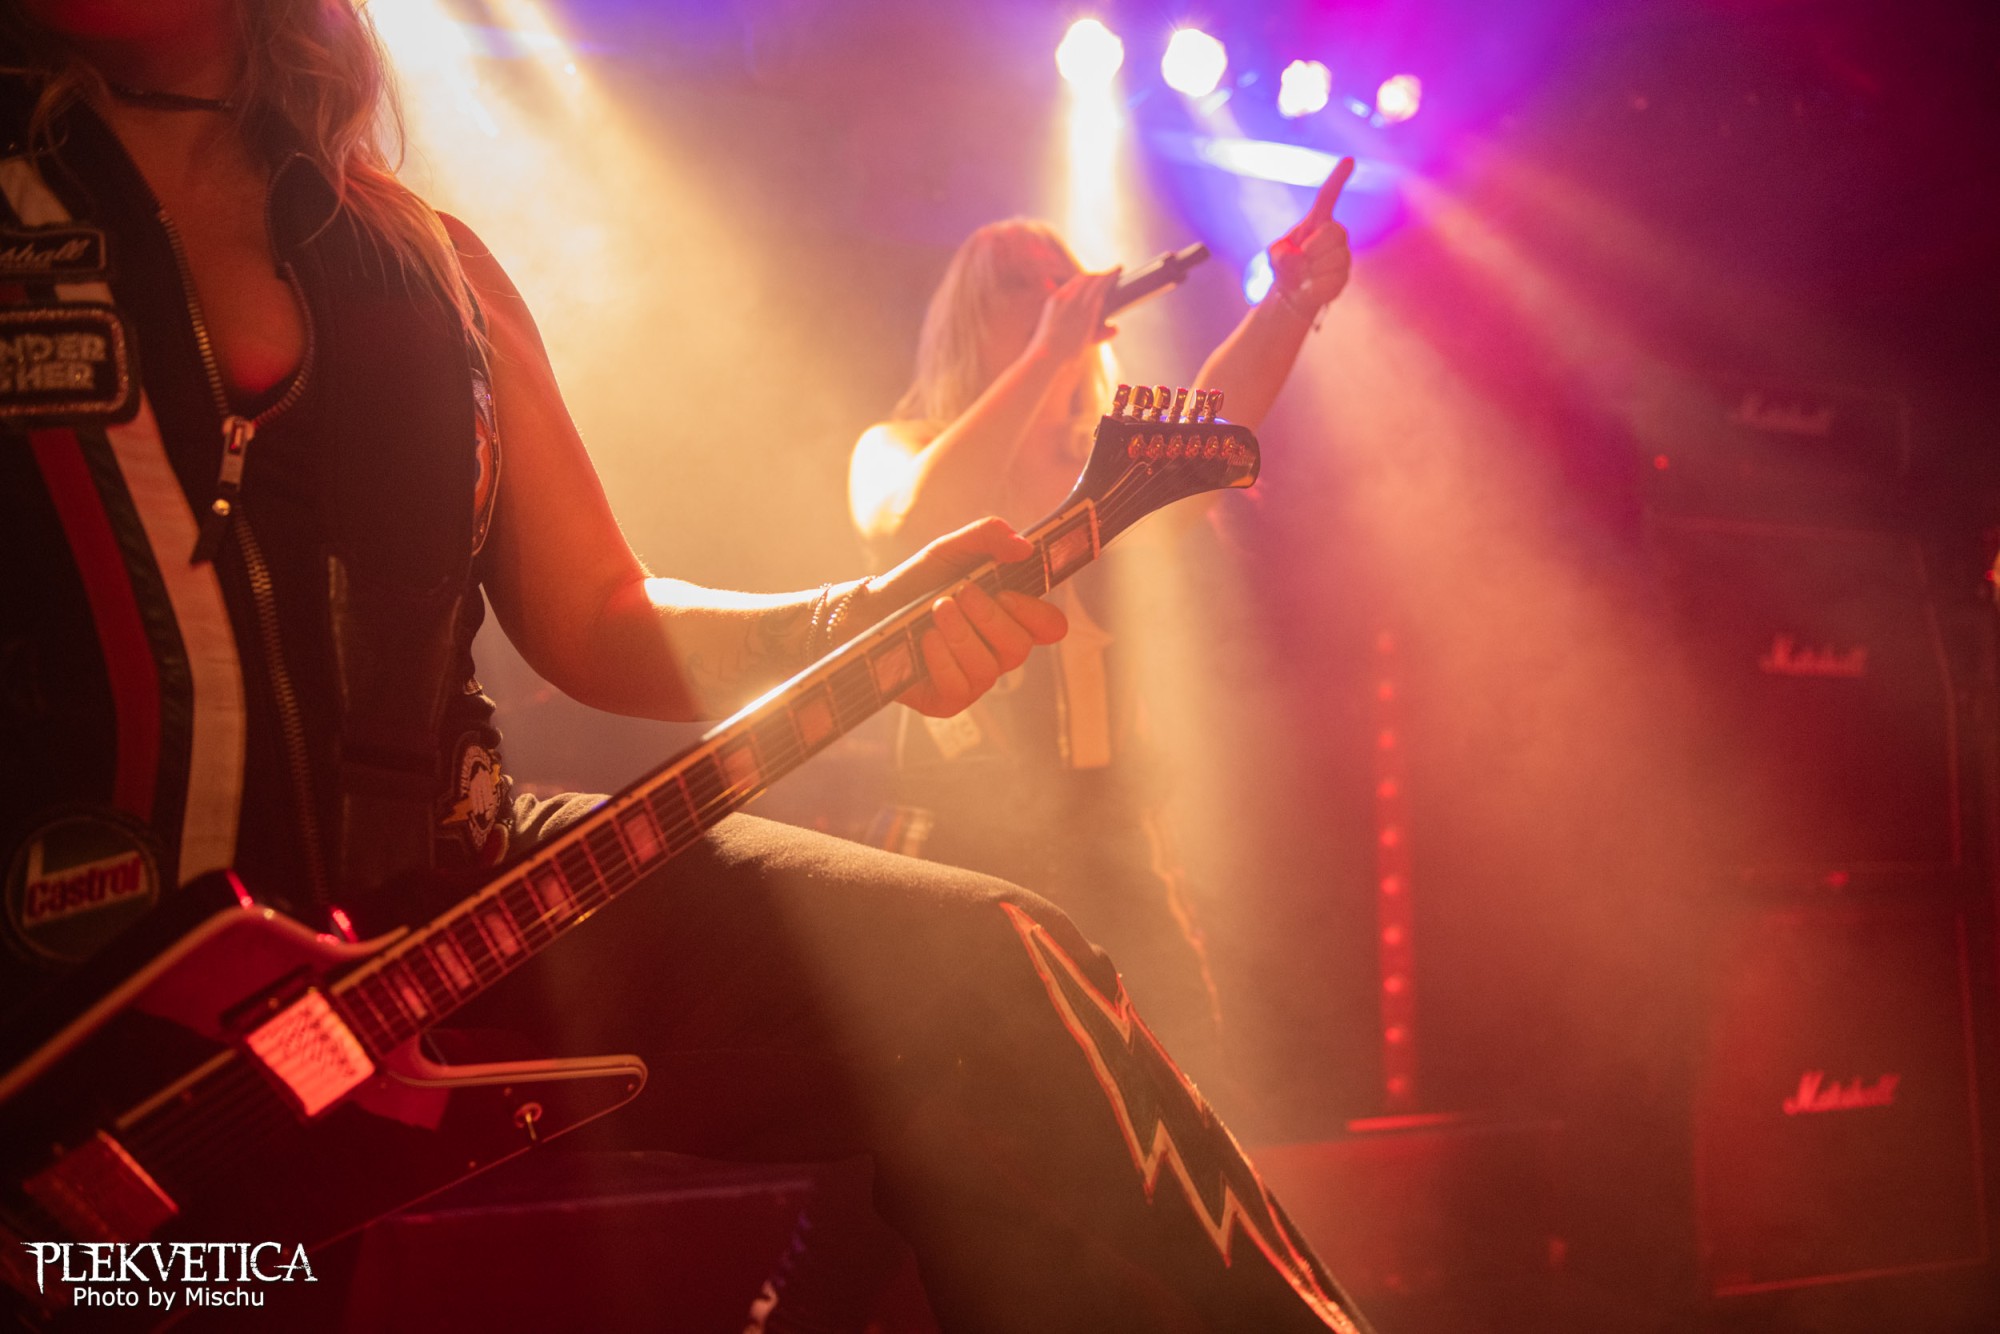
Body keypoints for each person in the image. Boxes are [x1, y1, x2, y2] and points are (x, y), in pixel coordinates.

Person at [0, 2, 1373, 1331]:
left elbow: (596, 614)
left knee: (999, 985)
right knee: (183, 1297)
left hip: (449, 911)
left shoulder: (429, 261)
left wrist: (861, 616)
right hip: (69, 1001)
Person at [848, 184, 1354, 1086]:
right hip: (952, 847)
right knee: (963, 1113)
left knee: (1182, 1100)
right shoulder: (897, 444)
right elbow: (912, 518)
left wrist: (1287, 301)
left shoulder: (1111, 468)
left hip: (1113, 853)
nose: (1055, 290)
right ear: (967, 319)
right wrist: (1048, 350)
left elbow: (1214, 422)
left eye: (1062, 275)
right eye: (1020, 282)